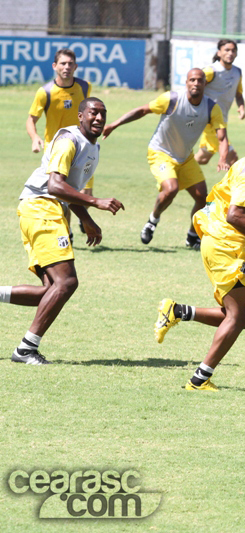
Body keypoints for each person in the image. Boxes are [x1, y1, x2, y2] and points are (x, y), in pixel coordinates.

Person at [153, 123, 245, 390]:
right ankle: (199, 380)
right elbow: (234, 215)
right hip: (224, 243)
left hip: (220, 239)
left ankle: (177, 311)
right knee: (238, 318)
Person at [2, 98, 124, 364]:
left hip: (47, 210)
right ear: (81, 116)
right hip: (42, 208)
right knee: (67, 283)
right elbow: (55, 186)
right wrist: (96, 202)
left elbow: (69, 191)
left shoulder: (93, 146)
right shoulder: (69, 140)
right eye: (94, 113)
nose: (99, 118)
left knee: (49, 292)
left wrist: (86, 218)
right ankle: (25, 350)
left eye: (103, 114)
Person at [103, 68, 229, 249]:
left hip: (185, 157)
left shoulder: (211, 108)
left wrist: (223, 157)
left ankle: (192, 236)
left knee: (203, 198)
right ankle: (152, 221)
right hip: (160, 152)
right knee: (171, 189)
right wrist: (114, 124)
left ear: (204, 84)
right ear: (186, 83)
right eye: (192, 80)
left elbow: (222, 136)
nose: (195, 83)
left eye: (199, 80)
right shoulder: (172, 99)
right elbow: (142, 110)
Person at [26, 48, 95, 234]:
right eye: (63, 63)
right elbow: (31, 120)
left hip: (82, 148)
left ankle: (81, 219)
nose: (67, 67)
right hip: (56, 150)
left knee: (86, 194)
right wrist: (35, 138)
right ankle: (68, 231)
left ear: (76, 66)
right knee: (64, 194)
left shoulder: (84, 86)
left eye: (70, 64)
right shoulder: (45, 92)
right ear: (55, 66)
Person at [195, 39, 245, 169]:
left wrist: (241, 106)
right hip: (210, 121)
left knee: (203, 158)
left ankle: (181, 168)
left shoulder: (237, 72)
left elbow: (238, 94)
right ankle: (231, 189)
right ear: (219, 53)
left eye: (233, 50)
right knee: (232, 158)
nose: (230, 53)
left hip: (222, 120)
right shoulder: (211, 71)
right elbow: (193, 87)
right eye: (227, 50)